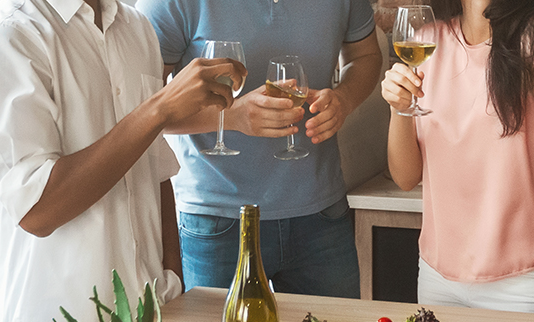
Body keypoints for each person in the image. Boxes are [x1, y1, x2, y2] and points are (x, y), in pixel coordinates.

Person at [0, 0, 246, 322]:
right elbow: (38, 210)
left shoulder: (136, 27)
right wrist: (158, 108)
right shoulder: (9, 35)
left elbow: (156, 169)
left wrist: (171, 280)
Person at [380, 0, 534, 322]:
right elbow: (406, 177)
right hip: (438, 280)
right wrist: (399, 108)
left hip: (526, 286)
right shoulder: (426, 40)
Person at [139, 0, 382, 298]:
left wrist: (344, 100)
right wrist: (233, 117)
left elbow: (365, 55)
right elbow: (142, 111)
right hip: (217, 220)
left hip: (322, 213)